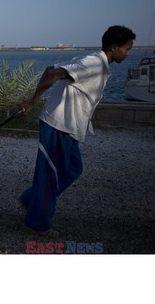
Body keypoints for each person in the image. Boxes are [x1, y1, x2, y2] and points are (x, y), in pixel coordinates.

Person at [19, 25, 136, 237]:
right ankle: (36, 223)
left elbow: (53, 71)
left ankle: (31, 200)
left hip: (70, 126)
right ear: (114, 47)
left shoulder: (95, 61)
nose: (128, 54)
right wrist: (32, 101)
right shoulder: (93, 63)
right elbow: (51, 73)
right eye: (126, 49)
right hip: (58, 124)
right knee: (51, 176)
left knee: (72, 168)